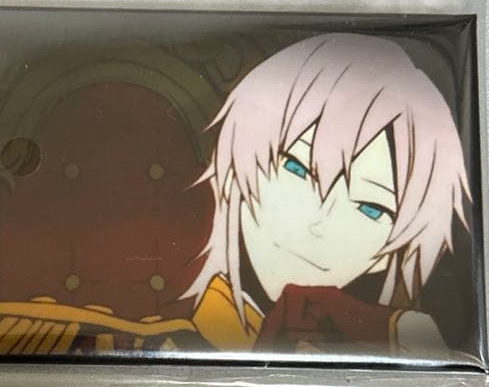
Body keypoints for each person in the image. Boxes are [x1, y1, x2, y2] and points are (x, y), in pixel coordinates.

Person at [184, 33, 471, 356]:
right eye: (297, 169)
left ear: (387, 256)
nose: (318, 223)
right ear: (240, 158)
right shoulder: (166, 338)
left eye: (371, 208)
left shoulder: (398, 344)